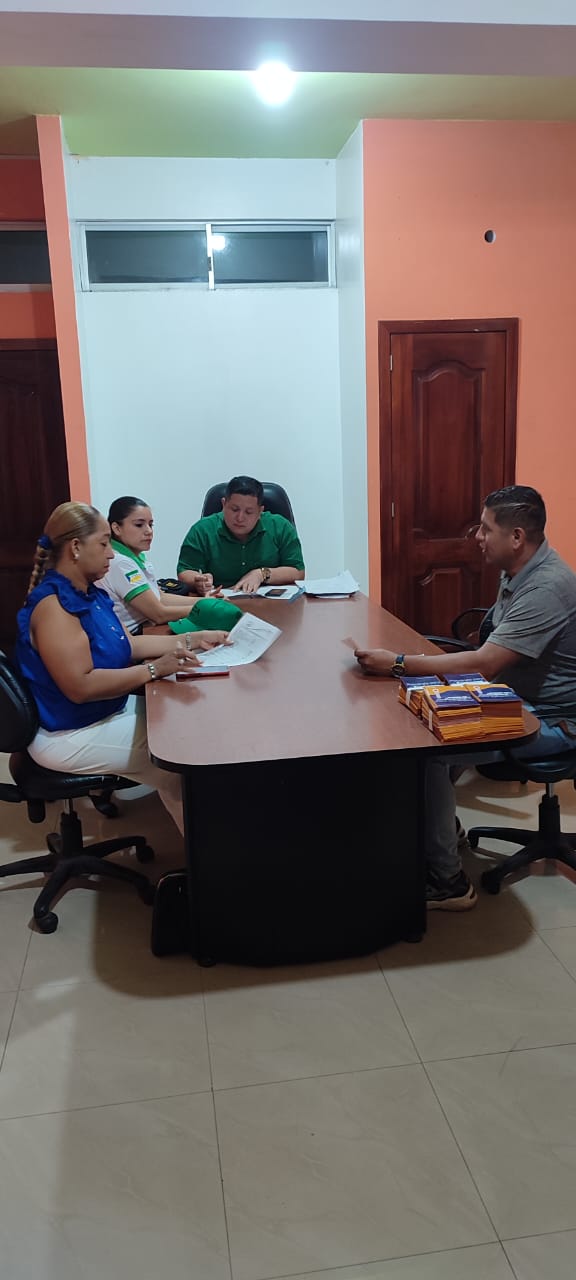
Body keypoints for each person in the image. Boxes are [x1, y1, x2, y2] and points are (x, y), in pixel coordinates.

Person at [355, 485, 576, 911]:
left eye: (486, 529)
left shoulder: (548, 587)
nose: (477, 536)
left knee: (431, 752)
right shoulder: (517, 569)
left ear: (516, 537)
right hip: (515, 698)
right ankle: (442, 831)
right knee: (421, 718)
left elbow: (487, 664)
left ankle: (448, 881)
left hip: (553, 720)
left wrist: (397, 663)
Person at [15, 502, 228, 837]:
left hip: (99, 711)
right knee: (185, 753)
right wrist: (154, 670)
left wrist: (192, 639)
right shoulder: (55, 608)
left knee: (186, 720)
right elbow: (81, 686)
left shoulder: (88, 592)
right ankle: (212, 855)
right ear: (75, 547)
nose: (112, 554)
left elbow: (128, 645)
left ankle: (207, 845)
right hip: (70, 733)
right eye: (103, 544)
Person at [97, 496, 215, 633]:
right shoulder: (119, 562)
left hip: (145, 627)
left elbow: (160, 598)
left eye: (150, 524)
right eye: (139, 525)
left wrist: (205, 602)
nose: (149, 531)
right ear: (117, 528)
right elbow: (159, 614)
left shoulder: (135, 557)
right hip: (133, 635)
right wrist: (206, 608)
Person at [178, 475, 305, 594]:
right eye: (234, 509)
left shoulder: (280, 527)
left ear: (260, 511)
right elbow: (184, 571)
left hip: (269, 603)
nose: (240, 518)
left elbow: (298, 572)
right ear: (224, 504)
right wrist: (198, 580)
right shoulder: (202, 530)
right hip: (219, 600)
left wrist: (261, 574)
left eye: (248, 512)